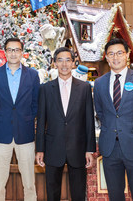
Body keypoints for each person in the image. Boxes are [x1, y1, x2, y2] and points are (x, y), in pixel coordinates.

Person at [93, 38, 133, 201]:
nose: (115, 57)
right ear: (106, 57)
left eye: (120, 53)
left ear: (127, 55)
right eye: (111, 54)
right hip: (110, 148)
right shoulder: (99, 83)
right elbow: (100, 113)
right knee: (115, 196)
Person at [36, 47, 95, 201]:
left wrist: (89, 149)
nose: (64, 64)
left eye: (68, 60)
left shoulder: (84, 88)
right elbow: (41, 121)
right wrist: (40, 149)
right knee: (52, 193)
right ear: (54, 63)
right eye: (60, 60)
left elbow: (89, 120)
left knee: (78, 193)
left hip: (78, 148)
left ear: (73, 63)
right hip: (53, 148)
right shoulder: (45, 89)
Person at [0, 37, 40, 201]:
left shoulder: (32, 75)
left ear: (22, 52)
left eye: (17, 49)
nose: (13, 53)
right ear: (5, 52)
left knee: (29, 183)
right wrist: (4, 119)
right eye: (10, 50)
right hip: (2, 134)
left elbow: (35, 103)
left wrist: (26, 119)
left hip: (25, 134)